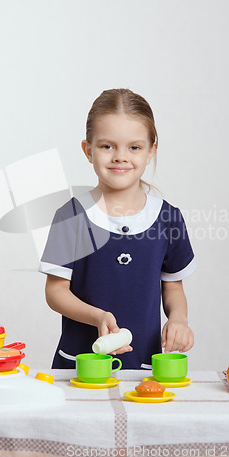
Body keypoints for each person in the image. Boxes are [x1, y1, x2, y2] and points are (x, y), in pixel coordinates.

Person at [39, 88, 196, 369]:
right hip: (80, 365)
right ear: (88, 150)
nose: (120, 157)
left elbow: (173, 287)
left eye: (134, 147)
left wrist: (179, 320)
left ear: (151, 151)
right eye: (107, 146)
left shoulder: (168, 219)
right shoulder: (71, 216)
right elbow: (56, 292)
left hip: (145, 366)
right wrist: (97, 317)